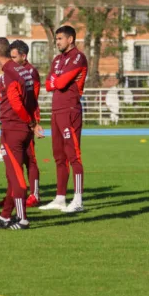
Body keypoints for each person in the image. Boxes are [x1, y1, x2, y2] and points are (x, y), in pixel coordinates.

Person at [0, 38, 43, 230]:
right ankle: (5, 216)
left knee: (17, 176)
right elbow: (31, 99)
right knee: (12, 174)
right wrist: (33, 122)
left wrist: (28, 121)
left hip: (13, 128)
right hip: (22, 128)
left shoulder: (10, 73)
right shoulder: (22, 70)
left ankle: (23, 219)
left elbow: (16, 101)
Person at [40, 25, 88, 213]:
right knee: (59, 156)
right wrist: (56, 81)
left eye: (60, 38)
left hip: (70, 110)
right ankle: (60, 198)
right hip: (56, 110)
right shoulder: (58, 59)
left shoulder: (78, 57)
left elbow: (59, 82)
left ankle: (78, 199)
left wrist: (56, 81)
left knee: (73, 155)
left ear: (70, 39)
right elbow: (48, 84)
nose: (57, 42)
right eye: (56, 39)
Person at [9, 39, 42, 206]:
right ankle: (13, 195)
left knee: (30, 159)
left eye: (15, 57)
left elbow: (32, 99)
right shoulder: (11, 71)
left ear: (24, 56)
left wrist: (35, 122)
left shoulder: (31, 72)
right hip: (11, 122)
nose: (12, 60)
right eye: (10, 56)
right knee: (13, 161)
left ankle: (34, 195)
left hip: (26, 121)